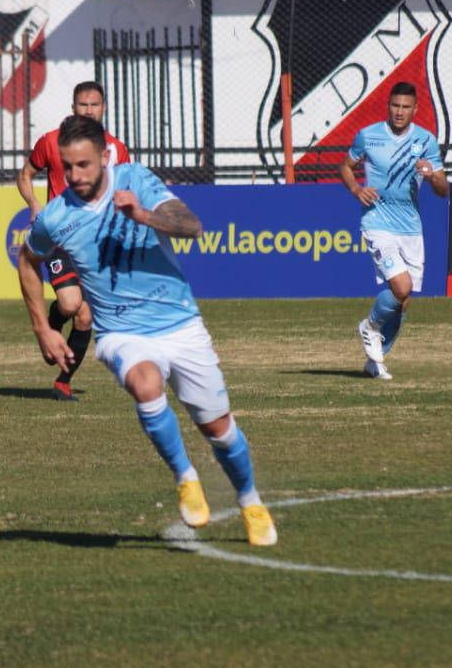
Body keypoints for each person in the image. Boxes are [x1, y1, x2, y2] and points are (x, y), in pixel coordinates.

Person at [18, 115, 277, 547]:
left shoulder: (135, 179)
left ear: (105, 157)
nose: (75, 176)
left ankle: (250, 500)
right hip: (123, 332)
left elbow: (190, 226)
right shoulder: (57, 216)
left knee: (219, 429)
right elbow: (28, 261)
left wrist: (140, 214)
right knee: (145, 382)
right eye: (67, 166)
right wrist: (43, 329)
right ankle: (185, 478)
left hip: (180, 324)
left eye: (84, 165)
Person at [16, 81, 130, 401]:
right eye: (83, 105)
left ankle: (63, 382)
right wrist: (35, 205)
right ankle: (50, 328)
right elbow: (25, 175)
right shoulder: (51, 141)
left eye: (95, 105)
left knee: (86, 315)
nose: (89, 111)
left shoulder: (116, 149)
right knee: (69, 304)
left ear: (104, 108)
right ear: (73, 107)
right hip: (60, 239)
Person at [339, 82, 448, 380]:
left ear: (415, 109)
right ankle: (369, 328)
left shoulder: (426, 141)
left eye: (405, 107)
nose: (399, 111)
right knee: (401, 287)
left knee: (404, 300)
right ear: (389, 106)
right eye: (395, 105)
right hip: (377, 221)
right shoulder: (369, 136)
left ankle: (376, 360)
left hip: (410, 227)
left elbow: (442, 188)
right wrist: (356, 189)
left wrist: (432, 175)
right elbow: (346, 166)